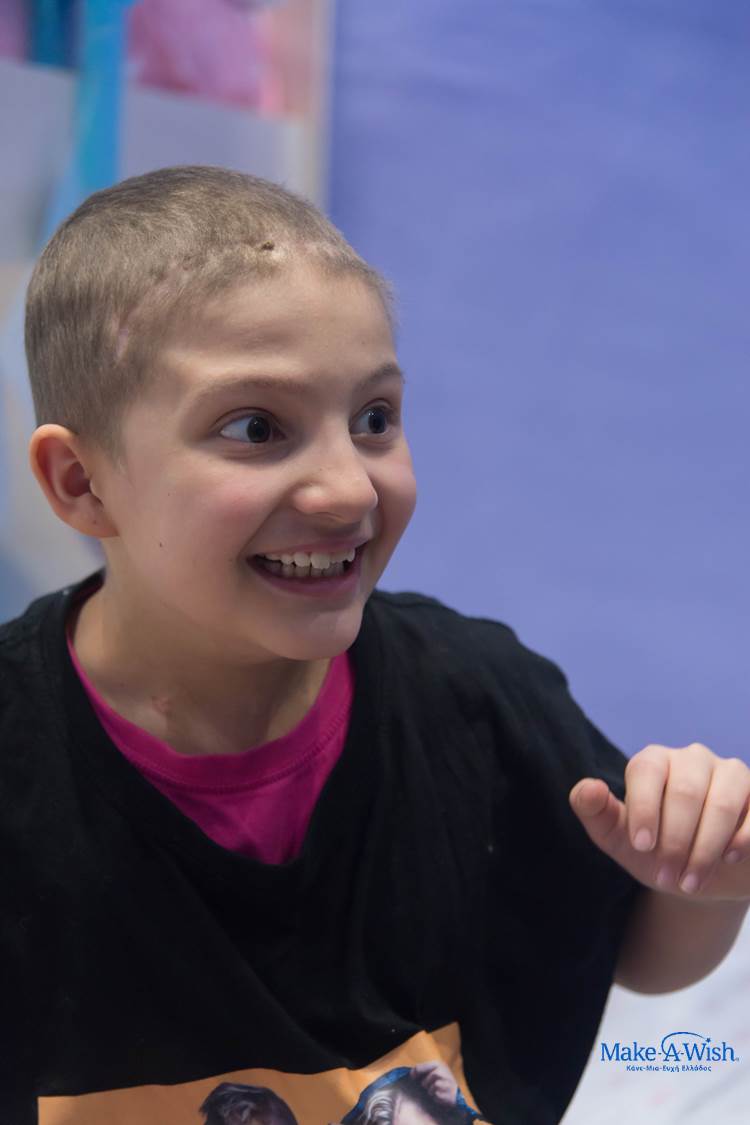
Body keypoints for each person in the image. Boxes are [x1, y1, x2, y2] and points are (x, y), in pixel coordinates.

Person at [3, 165, 749, 1125]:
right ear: (81, 482)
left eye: (373, 419)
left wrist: (703, 880)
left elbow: (634, 952)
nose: (350, 490)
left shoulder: (476, 702)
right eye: (256, 427)